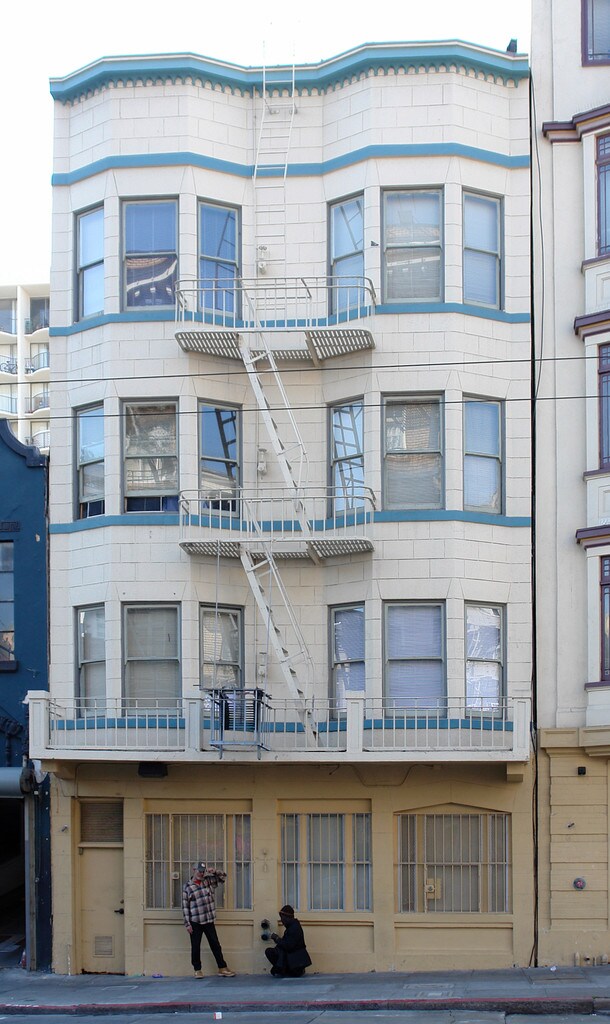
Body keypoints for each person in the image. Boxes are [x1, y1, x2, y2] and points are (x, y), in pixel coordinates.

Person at [182, 862, 236, 978]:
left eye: (203, 871)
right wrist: (187, 924)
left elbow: (223, 877)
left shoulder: (208, 881)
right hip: (195, 921)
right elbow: (185, 906)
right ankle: (197, 970)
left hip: (209, 920)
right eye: (199, 871)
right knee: (196, 946)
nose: (201, 874)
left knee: (215, 944)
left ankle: (222, 967)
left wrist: (215, 871)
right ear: (194, 870)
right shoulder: (188, 887)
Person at [265, 905, 312, 978]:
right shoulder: (292, 926)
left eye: (283, 918)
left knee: (272, 952)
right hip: (293, 960)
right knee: (272, 951)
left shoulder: (294, 928)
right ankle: (282, 969)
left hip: (296, 963)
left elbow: (288, 946)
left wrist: (277, 938)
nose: (282, 921)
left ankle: (284, 970)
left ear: (288, 917)